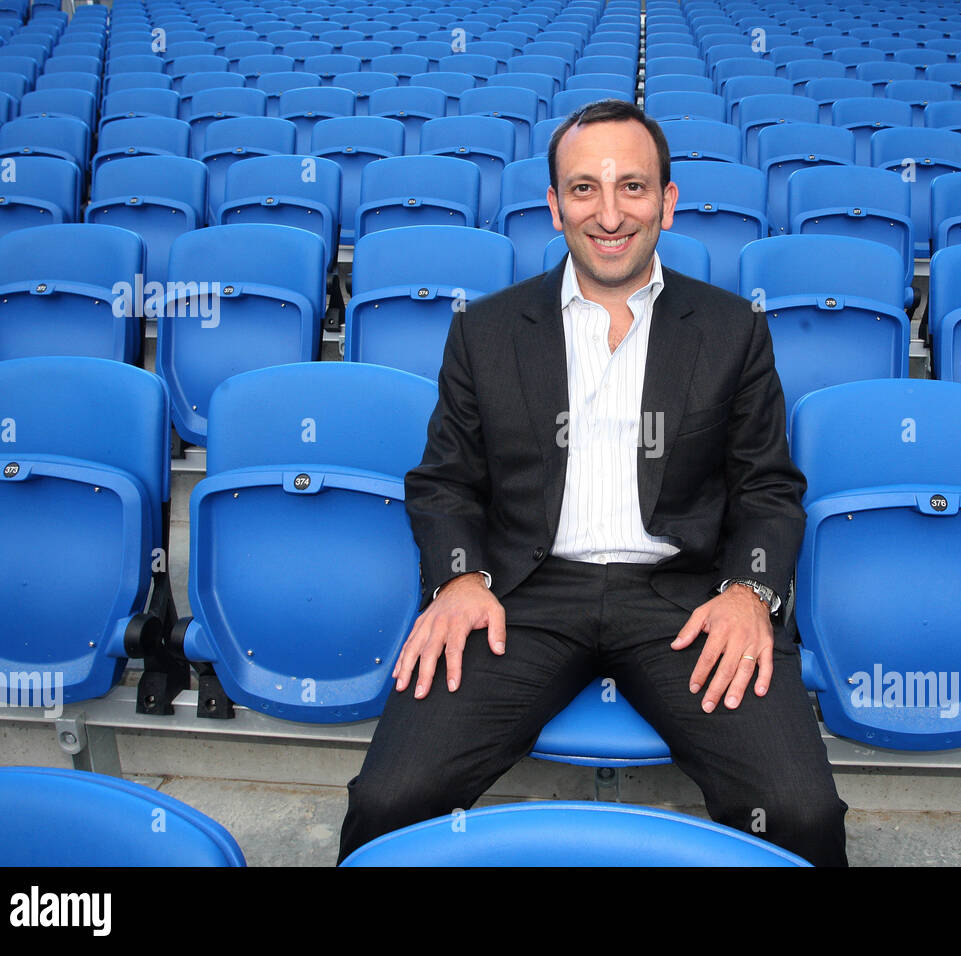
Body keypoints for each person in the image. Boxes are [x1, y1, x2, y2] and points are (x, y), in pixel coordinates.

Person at [338, 99, 848, 866]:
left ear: (668, 203)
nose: (609, 214)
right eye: (584, 189)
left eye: (633, 188)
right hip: (523, 596)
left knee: (799, 813)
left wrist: (751, 593)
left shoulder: (732, 329)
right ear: (553, 206)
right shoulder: (486, 332)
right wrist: (458, 580)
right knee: (387, 803)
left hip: (684, 599)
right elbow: (444, 481)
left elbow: (768, 490)